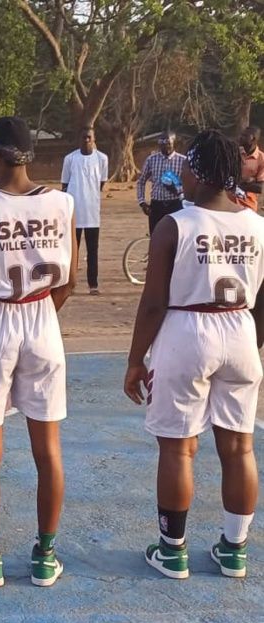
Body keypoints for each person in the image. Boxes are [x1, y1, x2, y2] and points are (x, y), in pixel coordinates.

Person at [125, 130, 264, 580]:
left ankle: (172, 549)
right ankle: (234, 549)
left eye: (186, 165)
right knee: (240, 446)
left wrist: (135, 359)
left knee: (179, 447)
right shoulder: (257, 225)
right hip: (240, 327)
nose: (178, 171)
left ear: (200, 172)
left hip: (188, 330)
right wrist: (251, 343)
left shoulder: (177, 225)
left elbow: (152, 303)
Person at [0, 116, 77, 588]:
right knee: (48, 450)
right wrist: (42, 311)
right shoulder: (62, 203)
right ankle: (45, 554)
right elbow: (65, 281)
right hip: (42, 316)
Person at [61, 126, 108, 294]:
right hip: (74, 212)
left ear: (94, 139)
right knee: (72, 250)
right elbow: (64, 186)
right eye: (83, 137)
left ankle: (93, 285)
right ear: (79, 139)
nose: (86, 140)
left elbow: (102, 183)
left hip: (92, 213)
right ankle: (69, 284)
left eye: (89, 137)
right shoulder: (70, 159)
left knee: (93, 250)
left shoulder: (102, 159)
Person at [137, 131, 186, 235]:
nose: (165, 147)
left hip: (176, 205)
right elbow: (141, 181)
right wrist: (142, 202)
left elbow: (189, 184)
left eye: (168, 143)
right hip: (157, 205)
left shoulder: (183, 161)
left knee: (176, 236)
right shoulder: (151, 160)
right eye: (162, 144)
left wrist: (178, 190)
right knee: (155, 236)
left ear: (174, 143)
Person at [238, 126, 264, 212]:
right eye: (241, 135)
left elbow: (259, 187)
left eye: (245, 136)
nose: (240, 138)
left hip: (248, 204)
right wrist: (248, 182)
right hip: (231, 202)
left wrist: (237, 185)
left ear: (253, 139)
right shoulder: (235, 153)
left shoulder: (261, 158)